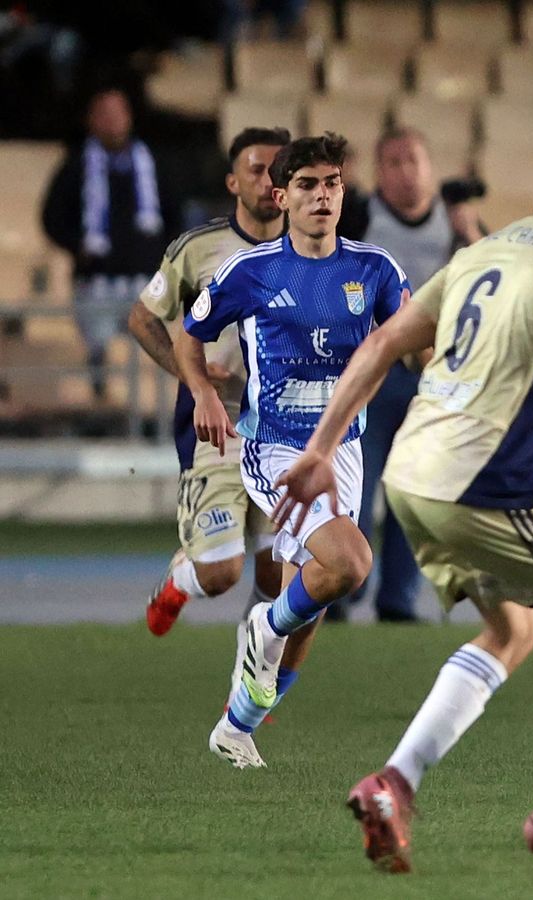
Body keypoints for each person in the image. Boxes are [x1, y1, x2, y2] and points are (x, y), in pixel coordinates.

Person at [269, 115, 533, 874]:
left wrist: (319, 449)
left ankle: (393, 785)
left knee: (514, 631)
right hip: (489, 487)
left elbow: (381, 343)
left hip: (412, 475)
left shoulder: (489, 247)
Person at [176, 133, 410, 768]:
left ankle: (237, 726)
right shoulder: (250, 272)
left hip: (346, 451)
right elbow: (189, 333)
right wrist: (200, 390)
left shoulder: (376, 270)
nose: (322, 195)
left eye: (332, 183)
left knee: (320, 592)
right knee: (351, 564)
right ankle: (264, 625)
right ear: (282, 196)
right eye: (307, 185)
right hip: (276, 449)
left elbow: (409, 341)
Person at [133, 127, 290, 644]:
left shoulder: (312, 250)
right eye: (257, 170)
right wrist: (192, 376)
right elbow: (142, 317)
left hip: (284, 429)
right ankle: (182, 579)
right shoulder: (199, 249)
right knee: (221, 574)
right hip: (215, 423)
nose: (270, 181)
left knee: (277, 575)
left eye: (278, 170)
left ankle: (253, 657)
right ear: (232, 182)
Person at [332, 127, 488, 623]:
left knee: (412, 493)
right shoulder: (359, 217)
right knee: (353, 488)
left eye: (413, 160)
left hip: (434, 377)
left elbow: (493, 276)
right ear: (380, 171)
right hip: (369, 372)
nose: (405, 172)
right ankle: (341, 585)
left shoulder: (455, 221)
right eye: (394, 162)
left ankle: (398, 598)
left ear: (430, 165)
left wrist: (469, 230)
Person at [40, 86, 181, 399]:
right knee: (101, 360)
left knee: (148, 361)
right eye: (104, 114)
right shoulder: (75, 166)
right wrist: (79, 247)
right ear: (91, 120)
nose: (113, 122)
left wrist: (161, 255)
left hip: (145, 284)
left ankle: (147, 422)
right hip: (96, 284)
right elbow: (52, 218)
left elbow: (175, 215)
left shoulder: (152, 163)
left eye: (118, 114)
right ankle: (103, 412)